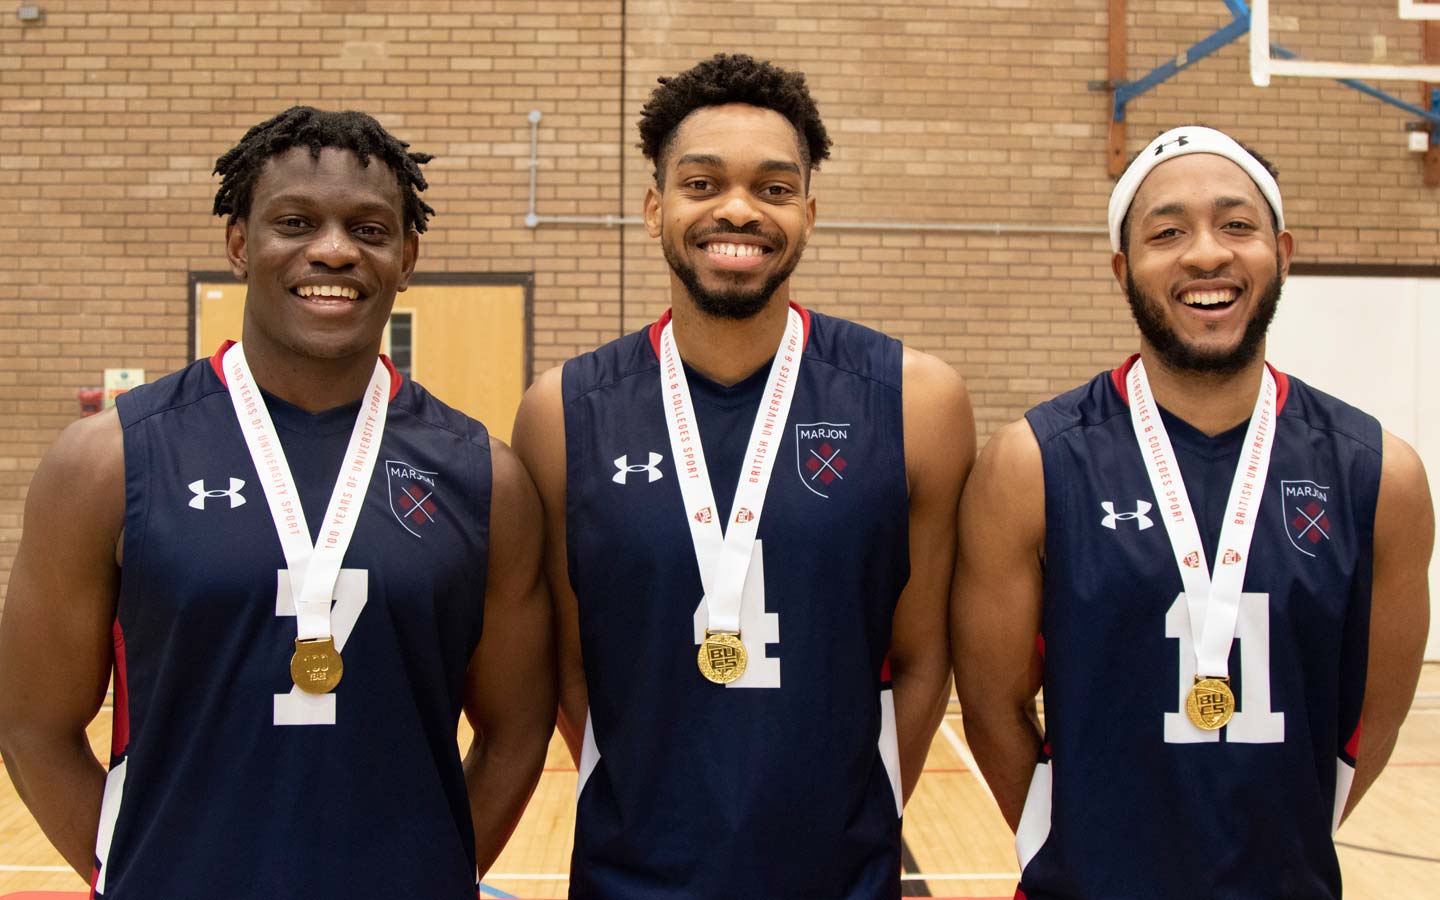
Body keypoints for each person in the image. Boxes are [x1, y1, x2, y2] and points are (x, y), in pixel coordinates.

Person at [0, 107, 555, 899]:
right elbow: (31, 726)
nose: (332, 249)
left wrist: (434, 875)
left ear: (407, 258)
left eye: (369, 229)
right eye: (294, 221)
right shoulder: (106, 461)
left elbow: (515, 735)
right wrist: (136, 874)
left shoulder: (485, 480)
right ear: (238, 243)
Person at [512, 53, 974, 899]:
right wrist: (652, 814)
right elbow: (573, 669)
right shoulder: (560, 413)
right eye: (701, 183)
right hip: (628, 878)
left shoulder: (919, 402)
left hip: (843, 879)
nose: (737, 209)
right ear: (656, 208)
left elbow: (921, 659)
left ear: (808, 211)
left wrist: (849, 830)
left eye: (772, 188)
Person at [952, 125, 1434, 899]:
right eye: (1167, 232)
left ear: (1283, 250)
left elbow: (1372, 721)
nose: (1206, 254)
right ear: (1123, 269)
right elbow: (990, 702)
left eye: (1236, 226)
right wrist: (1064, 842)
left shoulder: (1383, 478)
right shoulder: (1031, 464)